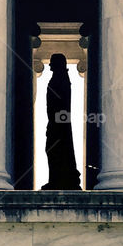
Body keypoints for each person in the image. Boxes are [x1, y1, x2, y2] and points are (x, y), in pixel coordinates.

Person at [41, 53, 82, 190]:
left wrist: (56, 121)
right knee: (54, 150)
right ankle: (57, 179)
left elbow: (60, 103)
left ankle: (59, 179)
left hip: (58, 123)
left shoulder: (60, 79)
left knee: (55, 150)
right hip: (56, 121)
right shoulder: (60, 78)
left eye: (53, 62)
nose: (50, 64)